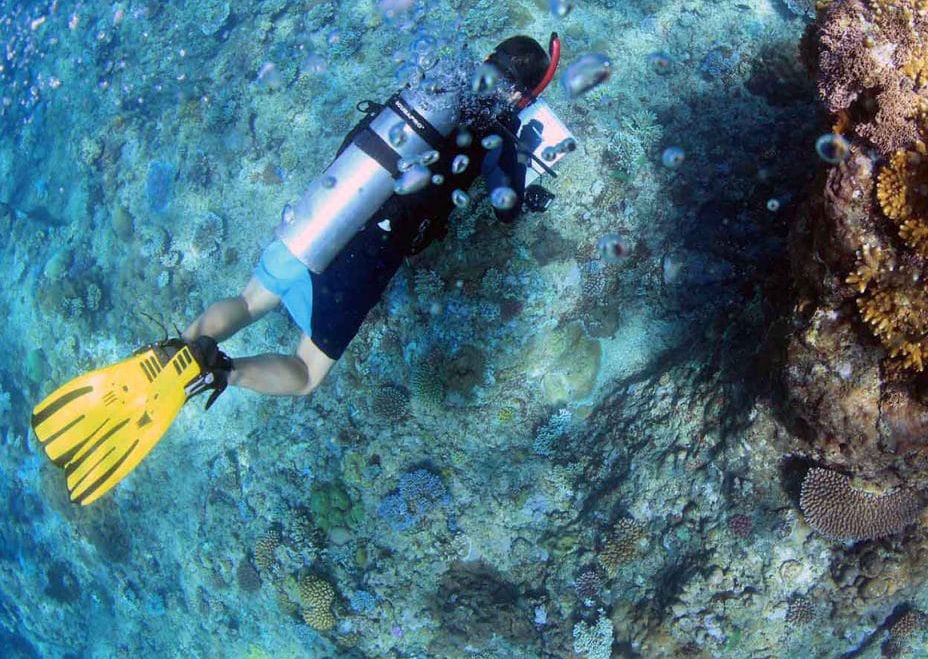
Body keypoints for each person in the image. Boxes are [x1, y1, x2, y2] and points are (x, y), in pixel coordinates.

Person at [31, 33, 574, 504]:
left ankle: (184, 345)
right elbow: (503, 208)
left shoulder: (436, 84)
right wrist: (522, 188)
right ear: (523, 95)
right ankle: (217, 371)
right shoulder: (497, 129)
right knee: (307, 374)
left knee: (246, 304)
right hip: (362, 258)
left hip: (319, 214)